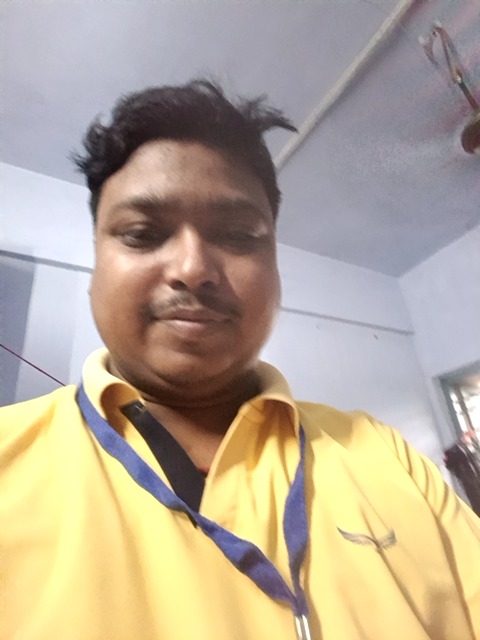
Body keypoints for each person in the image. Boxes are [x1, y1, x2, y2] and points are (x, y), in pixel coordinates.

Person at [0, 80, 479, 640]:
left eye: (238, 235)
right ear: (95, 267)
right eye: (143, 234)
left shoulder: (385, 454)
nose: (192, 268)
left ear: (275, 267)